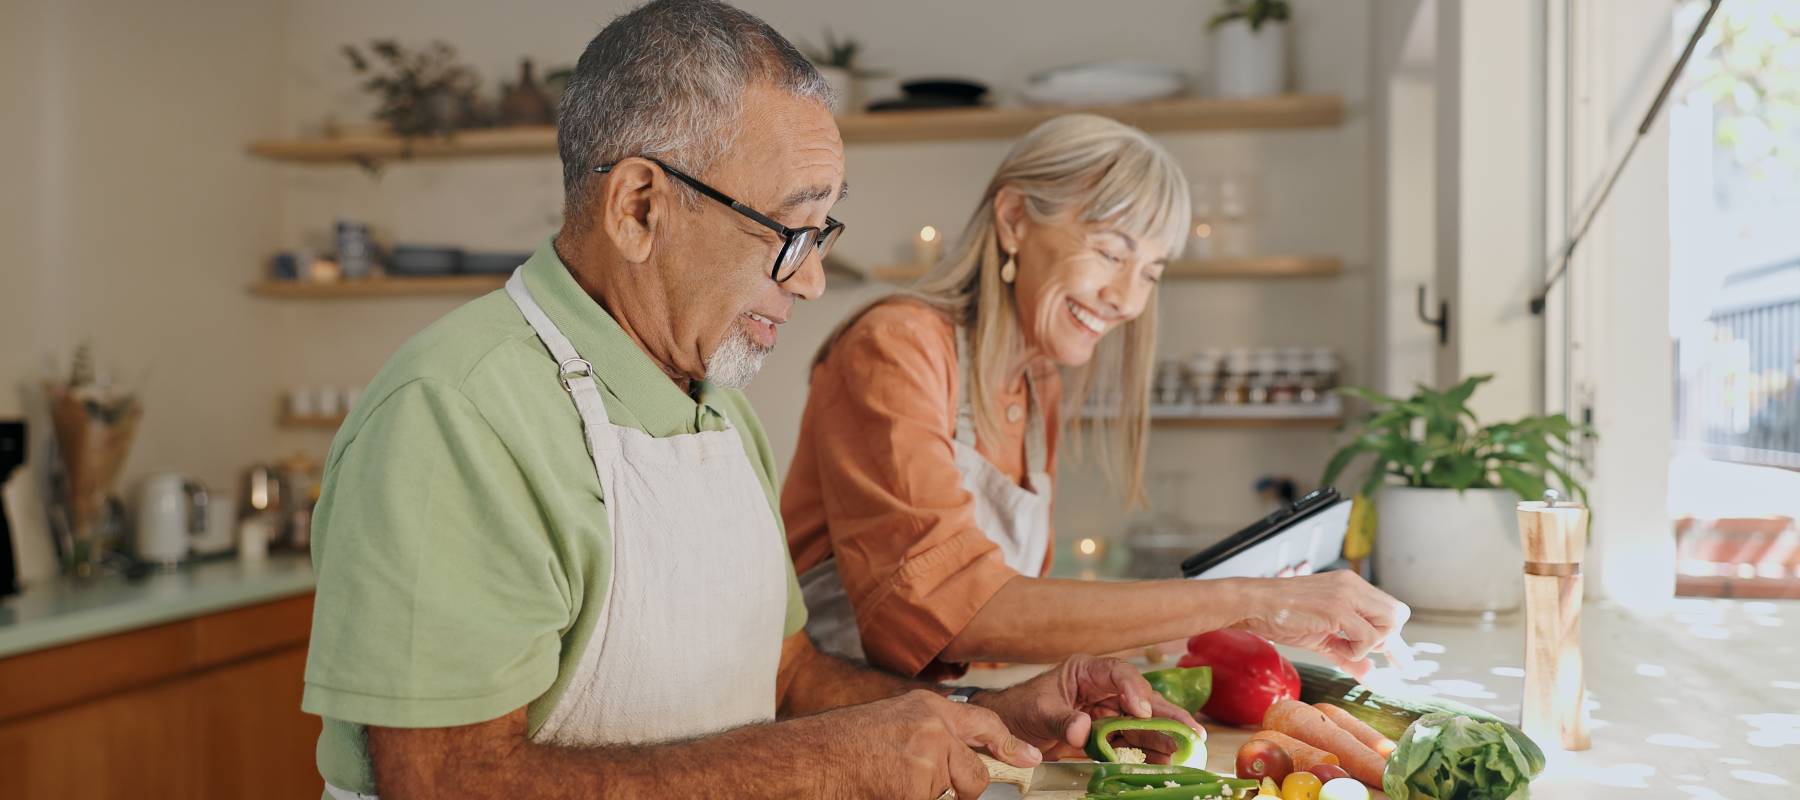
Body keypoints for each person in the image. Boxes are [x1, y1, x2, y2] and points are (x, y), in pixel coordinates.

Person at [300, 4, 1196, 799]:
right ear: (640, 207)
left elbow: (791, 675)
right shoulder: (453, 415)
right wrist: (828, 764)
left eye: (823, 232)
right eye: (789, 232)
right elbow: (449, 782)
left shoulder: (720, 412)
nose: (810, 282)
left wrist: (987, 711)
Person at [783, 114, 1406, 683]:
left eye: (1152, 272)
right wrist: (1252, 599)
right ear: (1014, 220)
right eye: (1111, 252)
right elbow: (955, 609)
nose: (1129, 301)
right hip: (832, 723)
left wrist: (1242, 618)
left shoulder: (1038, 379)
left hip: (934, 719)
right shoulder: (894, 346)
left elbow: (1007, 623)